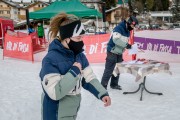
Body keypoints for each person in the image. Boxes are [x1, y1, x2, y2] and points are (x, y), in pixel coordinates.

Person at [39, 13, 111, 120]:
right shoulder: (51, 59)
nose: (81, 42)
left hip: (70, 111)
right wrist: (74, 72)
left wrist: (102, 93)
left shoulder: (79, 56)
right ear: (66, 38)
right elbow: (54, 92)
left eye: (82, 37)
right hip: (54, 113)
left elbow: (89, 78)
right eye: (78, 38)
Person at [101, 15, 138, 90]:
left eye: (134, 26)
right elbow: (116, 40)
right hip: (112, 51)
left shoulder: (128, 30)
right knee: (109, 69)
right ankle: (102, 87)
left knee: (118, 68)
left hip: (119, 52)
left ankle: (114, 84)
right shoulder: (119, 28)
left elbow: (124, 41)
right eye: (132, 25)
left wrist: (129, 46)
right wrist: (126, 45)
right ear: (129, 23)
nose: (133, 28)